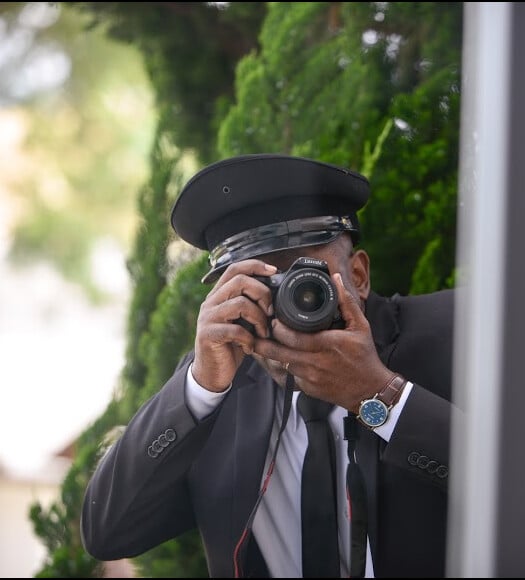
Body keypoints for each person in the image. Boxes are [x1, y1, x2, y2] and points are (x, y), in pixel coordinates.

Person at [81, 153, 455, 578]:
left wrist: (380, 395)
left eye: (305, 283)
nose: (283, 309)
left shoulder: (456, 336)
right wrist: (200, 389)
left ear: (359, 275)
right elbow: (106, 532)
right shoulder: (220, 392)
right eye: (258, 287)